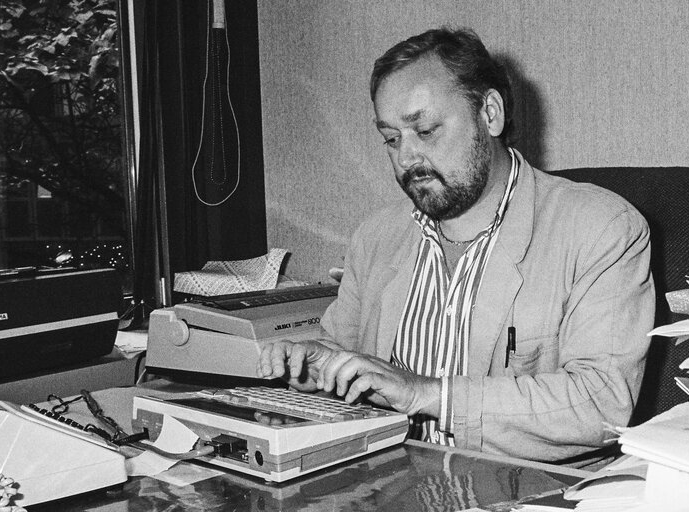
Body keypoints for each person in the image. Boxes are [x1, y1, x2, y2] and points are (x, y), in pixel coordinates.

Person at [257, 26, 655, 466]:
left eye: (424, 130)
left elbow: (600, 405)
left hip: (528, 492)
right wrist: (315, 368)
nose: (406, 159)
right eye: (391, 139)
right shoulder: (376, 237)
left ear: (490, 114)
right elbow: (341, 352)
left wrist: (426, 394)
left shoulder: (601, 229)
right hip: (395, 485)